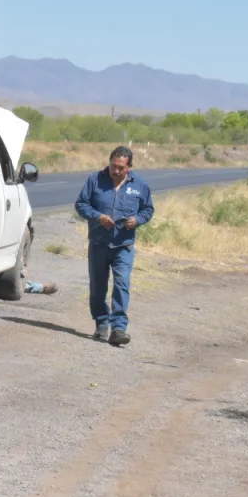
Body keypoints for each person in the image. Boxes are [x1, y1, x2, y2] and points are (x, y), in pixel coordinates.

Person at [74, 145, 155, 346]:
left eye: (120, 167)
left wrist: (137, 219)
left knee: (121, 284)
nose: (116, 170)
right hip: (99, 244)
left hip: (123, 246)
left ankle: (118, 329)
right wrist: (98, 217)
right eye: (113, 166)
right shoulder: (95, 180)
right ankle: (101, 322)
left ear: (129, 168)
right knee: (98, 288)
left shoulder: (140, 185)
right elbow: (81, 204)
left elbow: (148, 209)